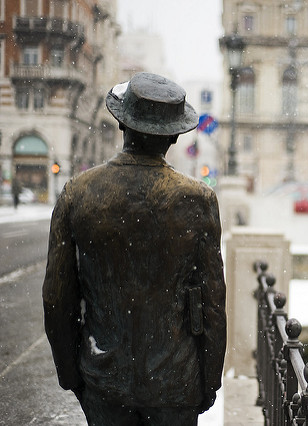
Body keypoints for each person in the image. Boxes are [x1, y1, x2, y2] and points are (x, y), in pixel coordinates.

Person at [42, 72, 226, 426]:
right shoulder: (198, 200)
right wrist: (210, 380)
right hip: (176, 381)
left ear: (123, 125)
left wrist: (71, 372)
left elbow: (56, 298)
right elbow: (213, 302)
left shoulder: (77, 193)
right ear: (174, 135)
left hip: (103, 380)